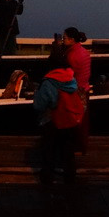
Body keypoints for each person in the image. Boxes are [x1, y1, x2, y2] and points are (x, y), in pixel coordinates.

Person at [33, 51, 83, 184]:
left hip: (54, 121)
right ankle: (70, 179)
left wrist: (36, 94)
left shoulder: (49, 82)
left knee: (49, 151)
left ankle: (47, 179)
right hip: (70, 120)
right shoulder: (71, 79)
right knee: (68, 153)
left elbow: (40, 105)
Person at [62, 27, 92, 154]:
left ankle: (75, 147)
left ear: (71, 39)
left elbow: (69, 76)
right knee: (83, 121)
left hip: (76, 92)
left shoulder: (72, 56)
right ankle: (82, 146)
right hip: (85, 89)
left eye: (64, 38)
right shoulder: (84, 52)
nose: (63, 40)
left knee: (74, 121)